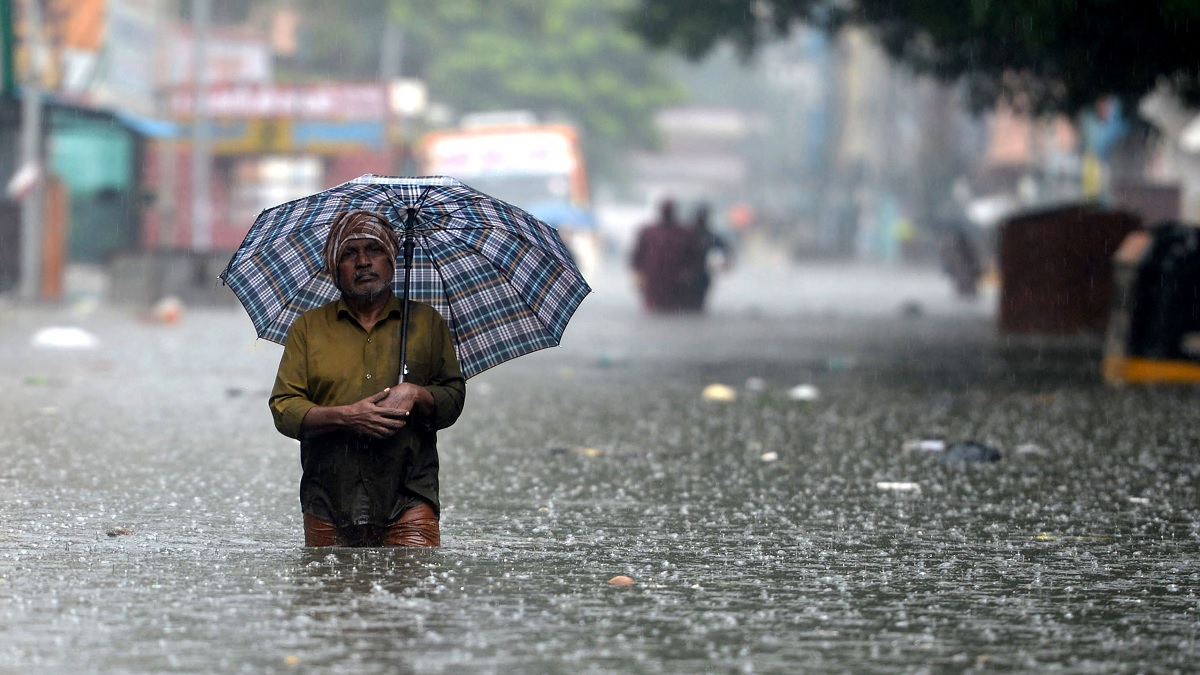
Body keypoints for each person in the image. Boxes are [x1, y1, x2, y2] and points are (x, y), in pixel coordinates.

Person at [269, 209, 466, 547]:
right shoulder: (309, 328)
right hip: (328, 499)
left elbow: (453, 398)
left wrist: (416, 393)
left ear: (392, 260)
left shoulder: (425, 323)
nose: (363, 262)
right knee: (330, 596)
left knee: (412, 592)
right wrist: (346, 417)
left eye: (374, 250)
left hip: (408, 496)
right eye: (349, 253)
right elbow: (284, 408)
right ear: (335, 269)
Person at [630, 198, 703, 313]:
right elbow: (637, 256)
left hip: (673, 283)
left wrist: (688, 274)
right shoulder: (650, 232)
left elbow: (694, 258)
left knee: (669, 310)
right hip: (656, 282)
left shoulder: (683, 233)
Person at [683, 202, 733, 311]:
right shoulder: (686, 235)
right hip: (688, 275)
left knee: (695, 305)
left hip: (699, 275)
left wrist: (726, 263)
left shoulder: (708, 236)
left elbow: (726, 249)